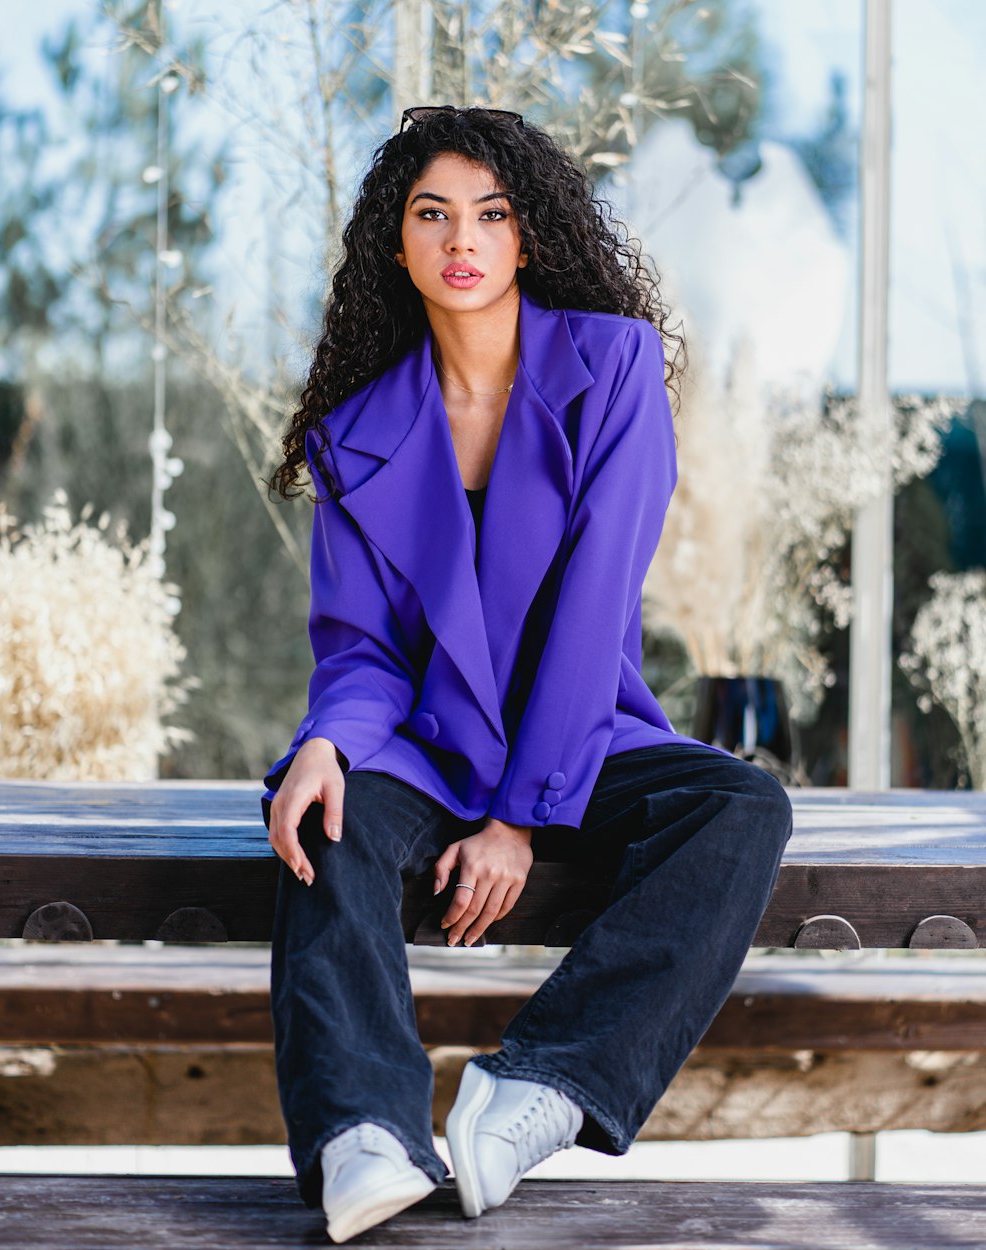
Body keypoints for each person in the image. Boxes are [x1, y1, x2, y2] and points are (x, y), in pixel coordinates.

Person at [261, 104, 793, 1243]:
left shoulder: (611, 369)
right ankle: (361, 1129)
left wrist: (515, 818)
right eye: (432, 214)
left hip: (576, 731)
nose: (463, 237)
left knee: (740, 804)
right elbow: (361, 651)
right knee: (322, 814)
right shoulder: (354, 434)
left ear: (529, 236)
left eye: (491, 214)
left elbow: (594, 609)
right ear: (394, 246)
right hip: (422, 736)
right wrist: (324, 741)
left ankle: (542, 1086)